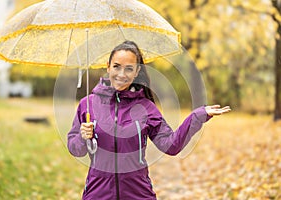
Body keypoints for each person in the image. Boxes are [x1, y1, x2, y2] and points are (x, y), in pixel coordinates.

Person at [67, 40, 231, 200]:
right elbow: (75, 149)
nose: (121, 74)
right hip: (98, 194)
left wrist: (197, 116)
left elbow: (171, 145)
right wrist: (82, 137)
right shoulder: (87, 105)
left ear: (137, 71)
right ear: (108, 66)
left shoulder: (146, 108)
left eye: (129, 69)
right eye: (116, 66)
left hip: (137, 194)